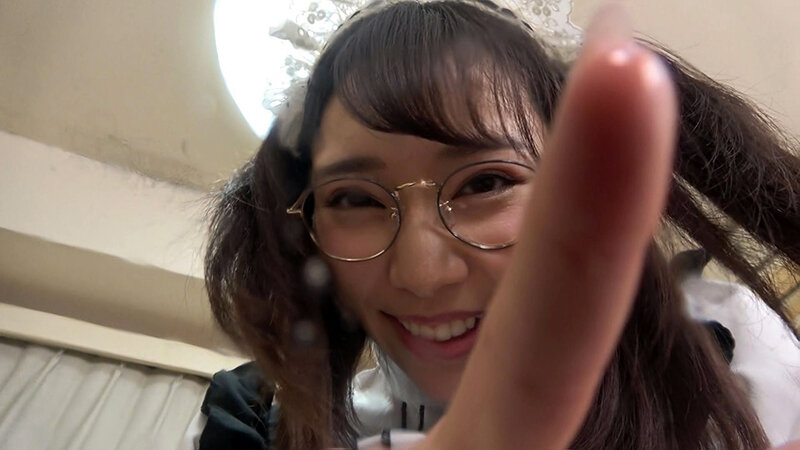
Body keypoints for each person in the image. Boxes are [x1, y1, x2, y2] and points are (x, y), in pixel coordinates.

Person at [189, 1, 800, 448]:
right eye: (353, 200)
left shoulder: (730, 363)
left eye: (485, 184)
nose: (422, 274)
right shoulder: (258, 425)